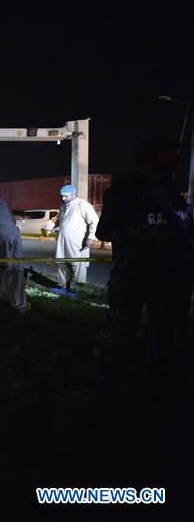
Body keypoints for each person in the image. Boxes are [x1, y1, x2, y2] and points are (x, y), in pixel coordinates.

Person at [93, 134, 193, 396]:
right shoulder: (126, 190)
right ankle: (108, 386)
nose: (177, 157)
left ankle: (158, 385)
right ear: (150, 157)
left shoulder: (172, 193)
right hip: (133, 276)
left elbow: (184, 229)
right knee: (121, 333)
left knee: (167, 334)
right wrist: (147, 234)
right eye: (169, 151)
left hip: (170, 278)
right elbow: (104, 232)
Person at [51, 185, 99, 293]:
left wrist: (91, 237)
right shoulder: (63, 205)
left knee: (77, 264)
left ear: (73, 194)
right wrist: (54, 226)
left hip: (78, 242)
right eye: (62, 196)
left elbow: (94, 222)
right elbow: (61, 220)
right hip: (62, 241)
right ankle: (62, 285)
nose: (63, 198)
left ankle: (77, 288)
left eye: (65, 196)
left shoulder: (83, 205)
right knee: (61, 262)